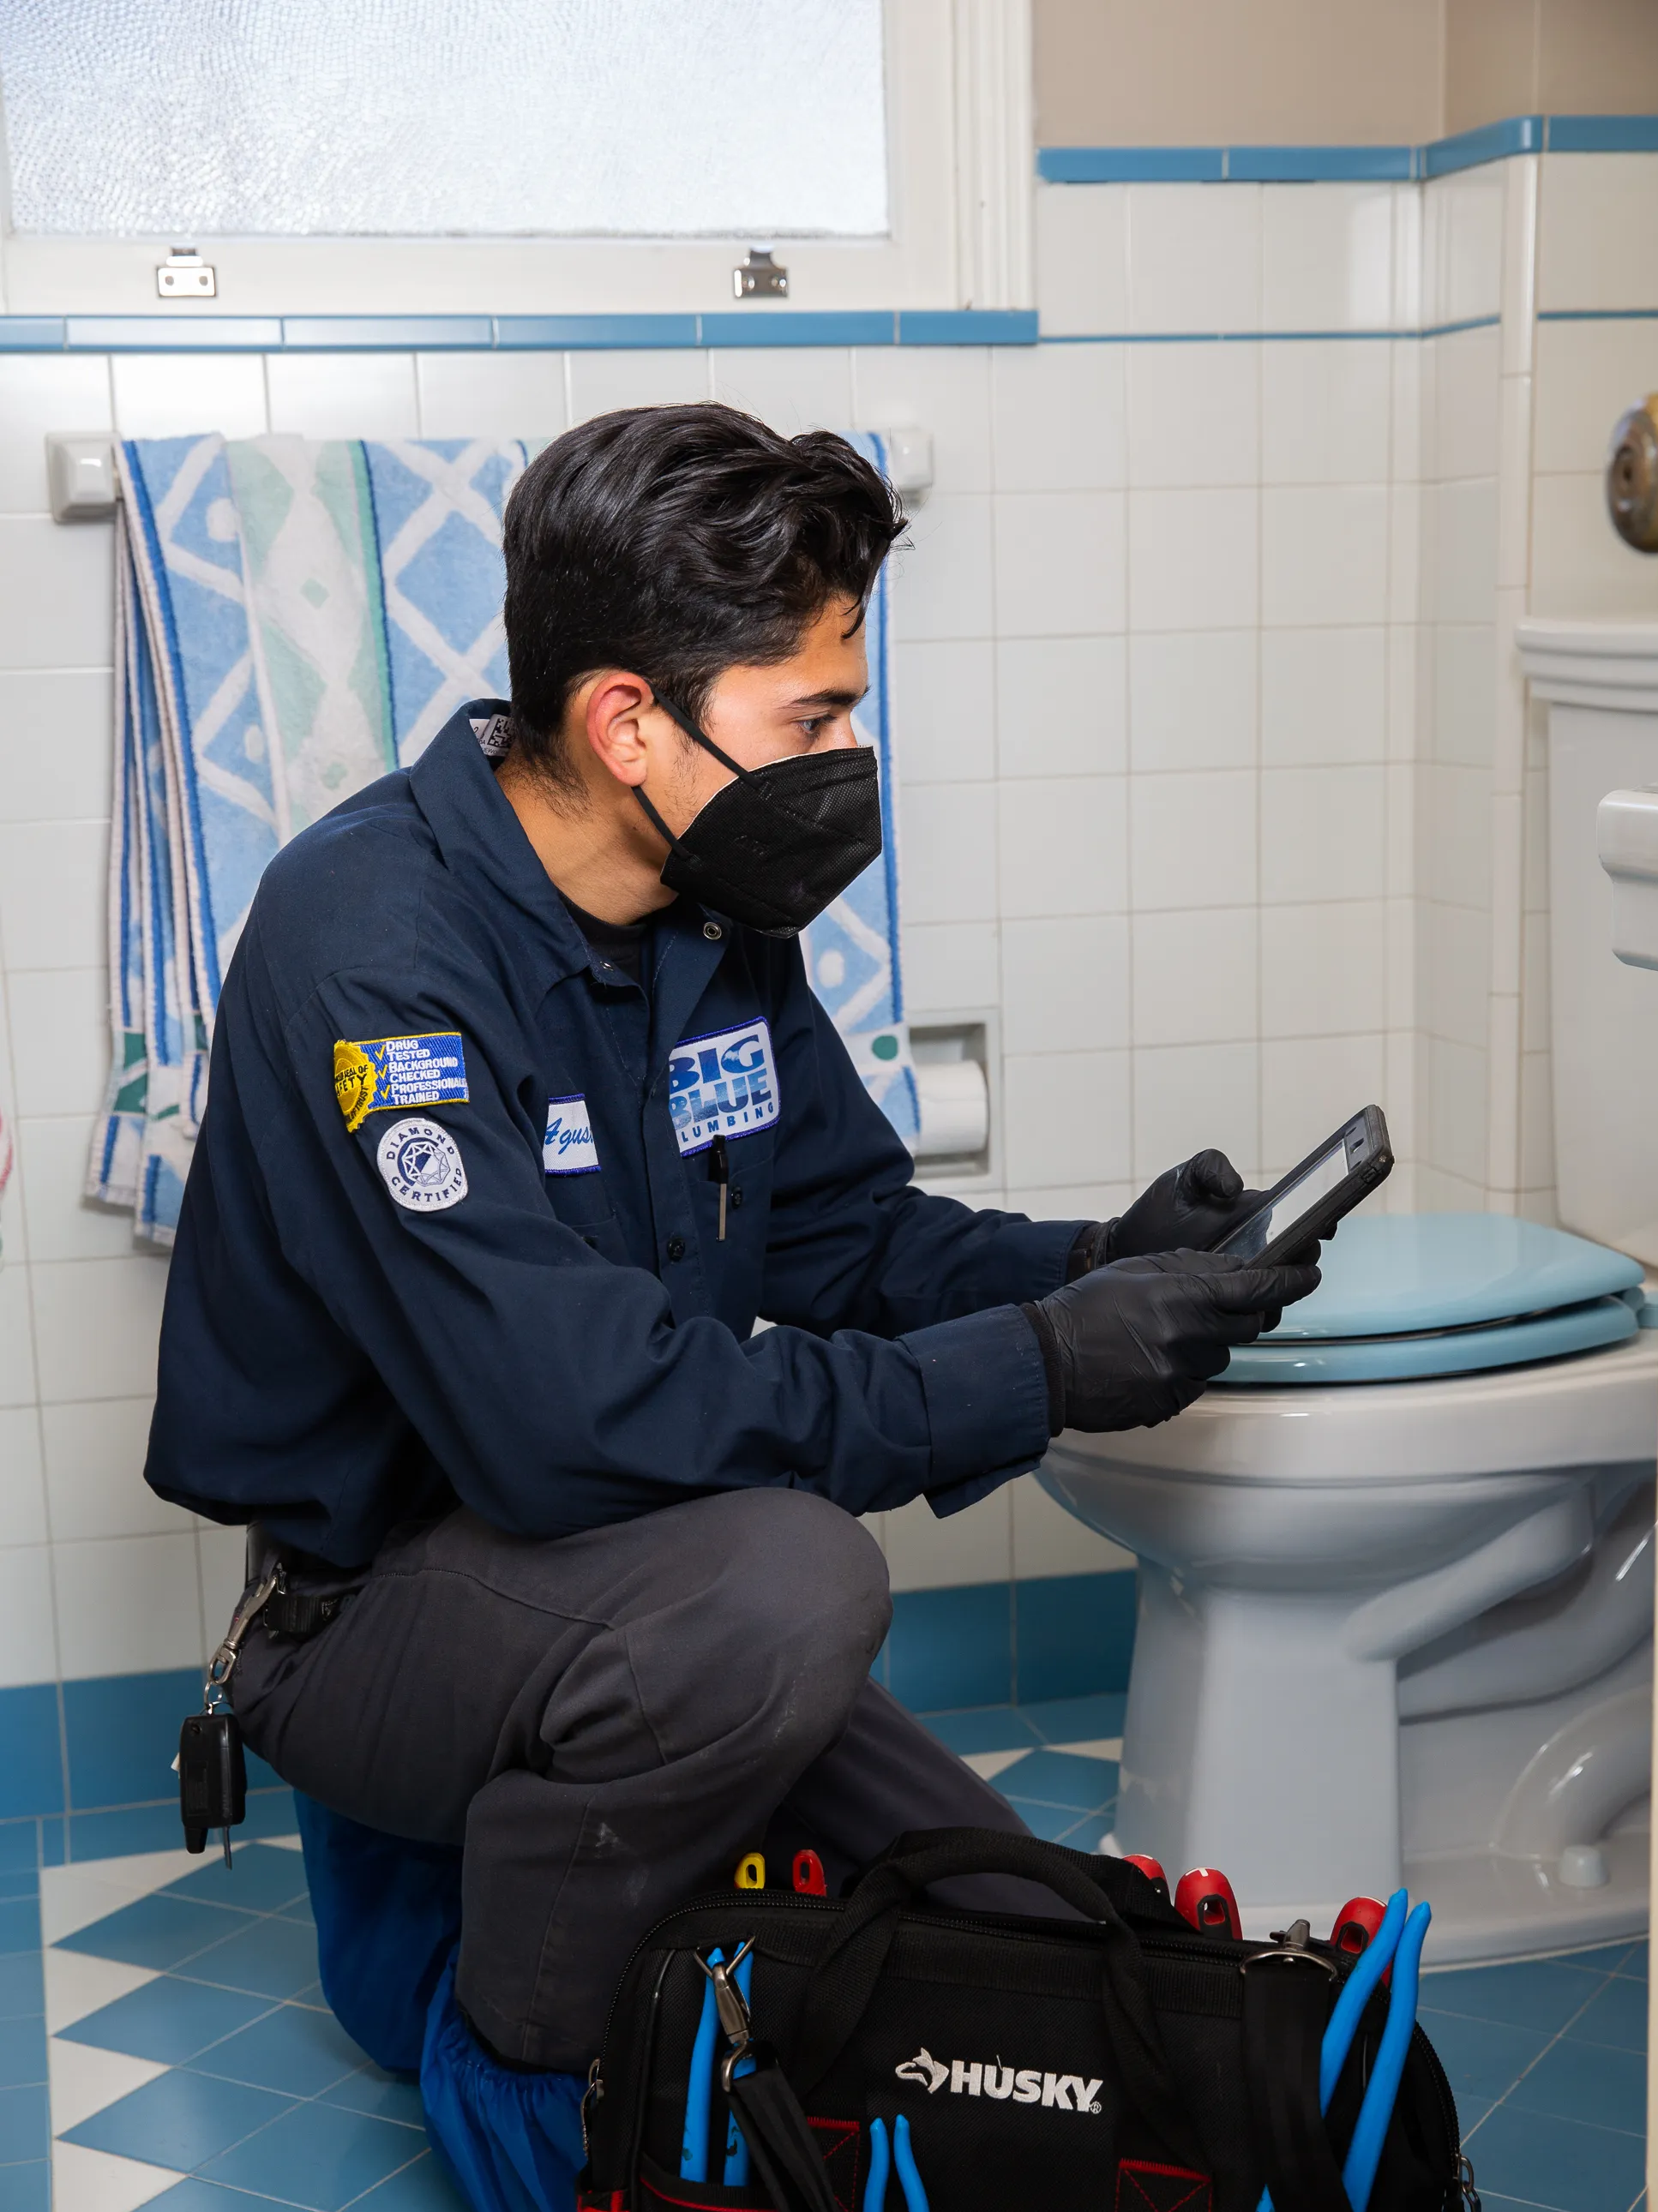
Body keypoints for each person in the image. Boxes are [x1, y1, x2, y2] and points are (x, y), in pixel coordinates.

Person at [145, 404, 1317, 2089]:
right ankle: (525, 2056)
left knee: (1039, 1940)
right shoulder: (373, 945)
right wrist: (1046, 1370)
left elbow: (836, 1229)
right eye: (817, 715)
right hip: (369, 1615)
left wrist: (1086, 1266)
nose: (853, 759)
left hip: (620, 1585)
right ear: (631, 721)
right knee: (790, 1581)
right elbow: (572, 1425)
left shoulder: (704, 906)